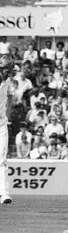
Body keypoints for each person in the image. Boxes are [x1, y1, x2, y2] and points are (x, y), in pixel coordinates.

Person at [0, 65, 13, 204]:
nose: (8, 73)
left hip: (1, 124)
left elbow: (10, 96)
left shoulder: (8, 81)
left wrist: (7, 114)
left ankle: (4, 193)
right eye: (5, 70)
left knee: (2, 159)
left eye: (9, 71)